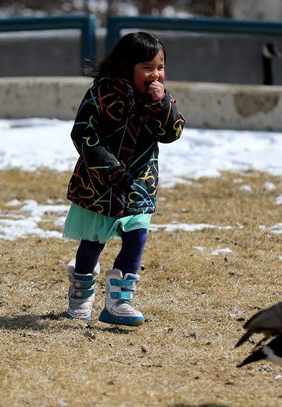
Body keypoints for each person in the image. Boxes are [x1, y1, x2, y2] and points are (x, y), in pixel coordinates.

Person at [63, 31, 185, 327]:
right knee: (93, 242)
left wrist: (162, 104)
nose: (155, 75)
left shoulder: (158, 99)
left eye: (160, 67)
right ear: (125, 66)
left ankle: (119, 302)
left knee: (137, 236)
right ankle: (81, 293)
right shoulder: (101, 93)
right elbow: (83, 133)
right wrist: (110, 168)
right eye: (147, 68)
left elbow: (172, 134)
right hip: (99, 185)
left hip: (139, 184)